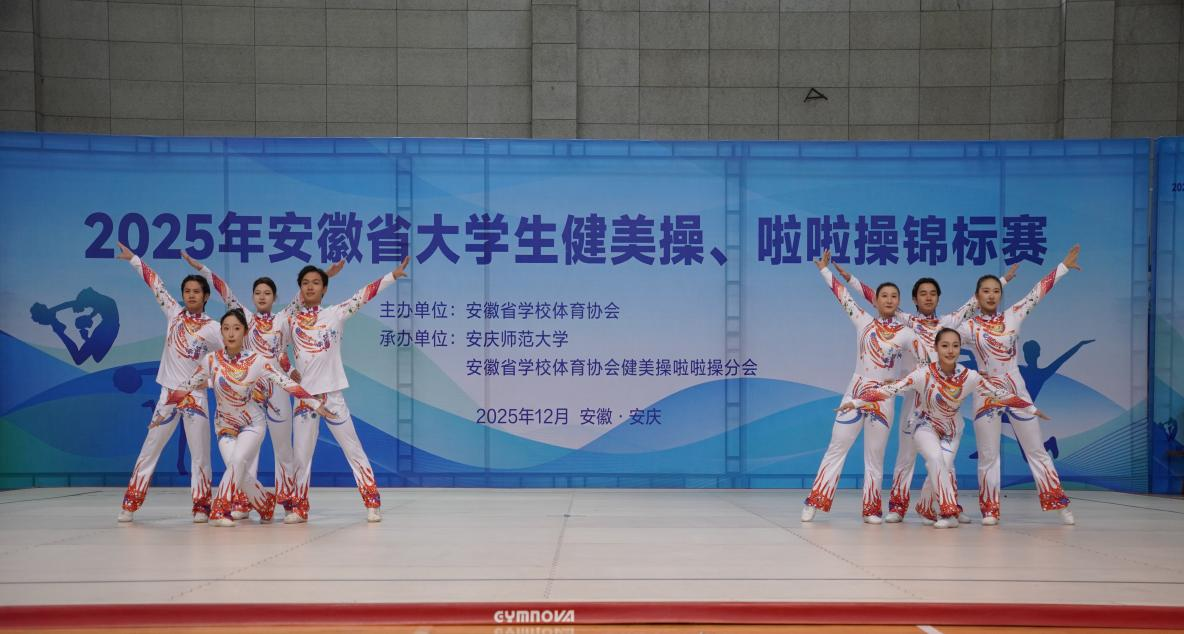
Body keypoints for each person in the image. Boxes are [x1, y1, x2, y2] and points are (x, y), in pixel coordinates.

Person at [831, 262, 1018, 523]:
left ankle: (949, 506)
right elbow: (875, 297)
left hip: (942, 399)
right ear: (914, 299)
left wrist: (1002, 281)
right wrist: (850, 278)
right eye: (923, 294)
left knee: (945, 457)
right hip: (914, 395)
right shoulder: (906, 321)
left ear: (938, 298)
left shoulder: (948, 322)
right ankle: (898, 506)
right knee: (906, 453)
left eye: (932, 293)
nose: (928, 297)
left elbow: (973, 303)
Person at [181, 251, 343, 519]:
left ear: (275, 298)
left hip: (278, 388)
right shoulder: (245, 319)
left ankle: (288, 501)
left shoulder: (283, 318)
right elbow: (223, 290)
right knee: (248, 450)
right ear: (253, 296)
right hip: (250, 390)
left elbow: (306, 292)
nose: (262, 296)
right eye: (258, 293)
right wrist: (202, 268)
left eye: (267, 293)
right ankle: (243, 502)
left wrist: (327, 274)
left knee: (283, 448)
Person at [838, 328, 1046, 529]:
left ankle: (925, 506)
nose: (950, 350)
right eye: (945, 345)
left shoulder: (970, 376)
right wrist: (855, 403)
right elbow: (890, 389)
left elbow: (999, 394)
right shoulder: (923, 374)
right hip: (924, 424)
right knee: (935, 459)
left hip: (952, 429)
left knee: (942, 467)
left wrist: (1031, 409)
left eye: (955, 346)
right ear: (936, 348)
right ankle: (948, 513)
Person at [152, 309, 330, 527]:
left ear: (245, 332)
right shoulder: (210, 360)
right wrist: (163, 412)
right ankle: (265, 503)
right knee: (239, 470)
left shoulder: (257, 360)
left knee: (237, 462)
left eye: (236, 328)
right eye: (226, 329)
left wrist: (315, 403)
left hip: (252, 424)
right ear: (221, 332)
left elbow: (286, 383)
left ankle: (219, 510)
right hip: (224, 426)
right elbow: (185, 386)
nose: (231, 333)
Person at [955, 245, 1082, 525]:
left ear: (1001, 295)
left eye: (995, 291)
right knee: (988, 454)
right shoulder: (968, 328)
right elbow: (946, 331)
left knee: (1035, 448)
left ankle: (1058, 502)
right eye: (985, 291)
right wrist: (984, 294)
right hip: (986, 391)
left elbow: (1037, 293)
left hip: (1015, 387)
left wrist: (1062, 267)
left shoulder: (1013, 315)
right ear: (977, 296)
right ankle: (990, 509)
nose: (991, 295)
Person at [802, 249, 925, 524]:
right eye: (884, 296)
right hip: (856, 389)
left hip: (884, 396)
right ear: (876, 300)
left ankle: (871, 508)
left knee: (875, 456)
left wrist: (902, 384)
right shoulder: (863, 321)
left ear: (899, 302)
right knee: (837, 445)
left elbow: (926, 367)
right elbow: (843, 296)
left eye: (894, 296)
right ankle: (815, 500)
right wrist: (824, 270)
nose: (889, 300)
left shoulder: (908, 334)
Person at [285, 256, 411, 524]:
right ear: (299, 288)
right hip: (305, 399)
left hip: (331, 396)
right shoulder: (290, 320)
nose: (310, 287)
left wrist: (391, 276)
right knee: (301, 457)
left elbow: (362, 296)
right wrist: (289, 370)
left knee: (353, 450)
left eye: (316, 283)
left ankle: (372, 503)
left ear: (324, 289)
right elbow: (273, 348)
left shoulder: (335, 313)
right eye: (305, 283)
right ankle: (298, 508)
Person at [114, 242, 222, 523]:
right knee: (150, 448)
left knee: (200, 455)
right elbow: (156, 285)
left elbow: (228, 359)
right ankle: (130, 503)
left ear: (206, 296)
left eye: (196, 291)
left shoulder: (214, 328)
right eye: (187, 291)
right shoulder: (174, 314)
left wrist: (211, 382)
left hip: (195, 397)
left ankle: (201, 506)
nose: (191, 295)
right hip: (168, 396)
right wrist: (134, 259)